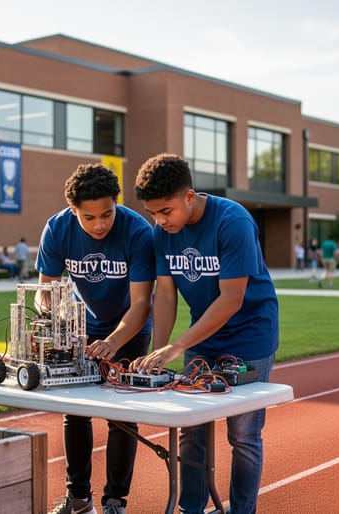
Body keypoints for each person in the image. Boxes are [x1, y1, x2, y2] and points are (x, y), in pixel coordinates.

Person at [131, 153, 279, 514]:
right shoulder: (161, 233)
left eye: (165, 211)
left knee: (242, 434)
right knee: (191, 427)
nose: (159, 220)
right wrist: (160, 351)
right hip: (204, 337)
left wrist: (178, 345)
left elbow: (231, 299)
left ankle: (242, 511)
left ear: (190, 197)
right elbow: (164, 293)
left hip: (250, 336)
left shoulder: (233, 221)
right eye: (152, 213)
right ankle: (190, 508)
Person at [39, 163, 155, 514]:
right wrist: (54, 313)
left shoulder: (137, 232)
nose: (100, 224)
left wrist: (115, 341)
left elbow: (141, 304)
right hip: (79, 326)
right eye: (88, 218)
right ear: (73, 211)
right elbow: (44, 290)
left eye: (107, 214)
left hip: (129, 328)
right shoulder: (57, 229)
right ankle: (78, 499)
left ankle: (115, 501)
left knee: (121, 413)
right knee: (75, 411)